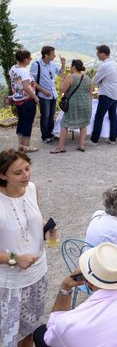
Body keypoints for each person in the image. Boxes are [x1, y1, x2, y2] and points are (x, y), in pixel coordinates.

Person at [33, 242, 117, 347]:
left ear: (88, 282)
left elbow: (51, 333)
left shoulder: (70, 322)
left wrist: (65, 288)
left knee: (40, 333)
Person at [0, 149, 48, 347]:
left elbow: (32, 217)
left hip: (38, 274)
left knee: (29, 331)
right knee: (7, 336)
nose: (26, 175)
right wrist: (15, 259)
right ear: (3, 175)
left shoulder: (32, 188)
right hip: (10, 282)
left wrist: (47, 229)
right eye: (18, 173)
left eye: (27, 169)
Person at [50, 60, 93, 153]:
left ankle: (61, 147)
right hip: (86, 104)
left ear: (74, 67)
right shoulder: (88, 77)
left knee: (64, 124)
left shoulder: (70, 77)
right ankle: (82, 145)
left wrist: (62, 80)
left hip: (74, 104)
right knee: (83, 124)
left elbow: (62, 90)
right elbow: (90, 93)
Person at [30, 46, 66, 143]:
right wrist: (43, 90)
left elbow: (60, 73)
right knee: (45, 116)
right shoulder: (36, 65)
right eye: (53, 54)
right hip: (43, 95)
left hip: (53, 94)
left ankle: (51, 134)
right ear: (46, 55)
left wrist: (63, 64)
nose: (54, 56)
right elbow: (32, 82)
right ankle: (45, 136)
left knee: (51, 115)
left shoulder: (52, 64)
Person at [90, 44, 117, 145]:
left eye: (98, 53)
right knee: (113, 116)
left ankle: (94, 140)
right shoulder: (114, 63)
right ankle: (112, 138)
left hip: (106, 93)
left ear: (103, 54)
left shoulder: (105, 66)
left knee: (99, 116)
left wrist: (99, 82)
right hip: (115, 93)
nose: (97, 55)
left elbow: (94, 81)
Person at [9, 50, 40, 152]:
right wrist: (35, 97)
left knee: (21, 121)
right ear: (25, 59)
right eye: (29, 58)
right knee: (28, 122)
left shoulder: (13, 68)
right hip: (27, 100)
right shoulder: (24, 71)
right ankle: (27, 146)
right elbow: (27, 87)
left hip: (18, 99)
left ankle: (21, 145)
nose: (31, 59)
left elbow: (14, 84)